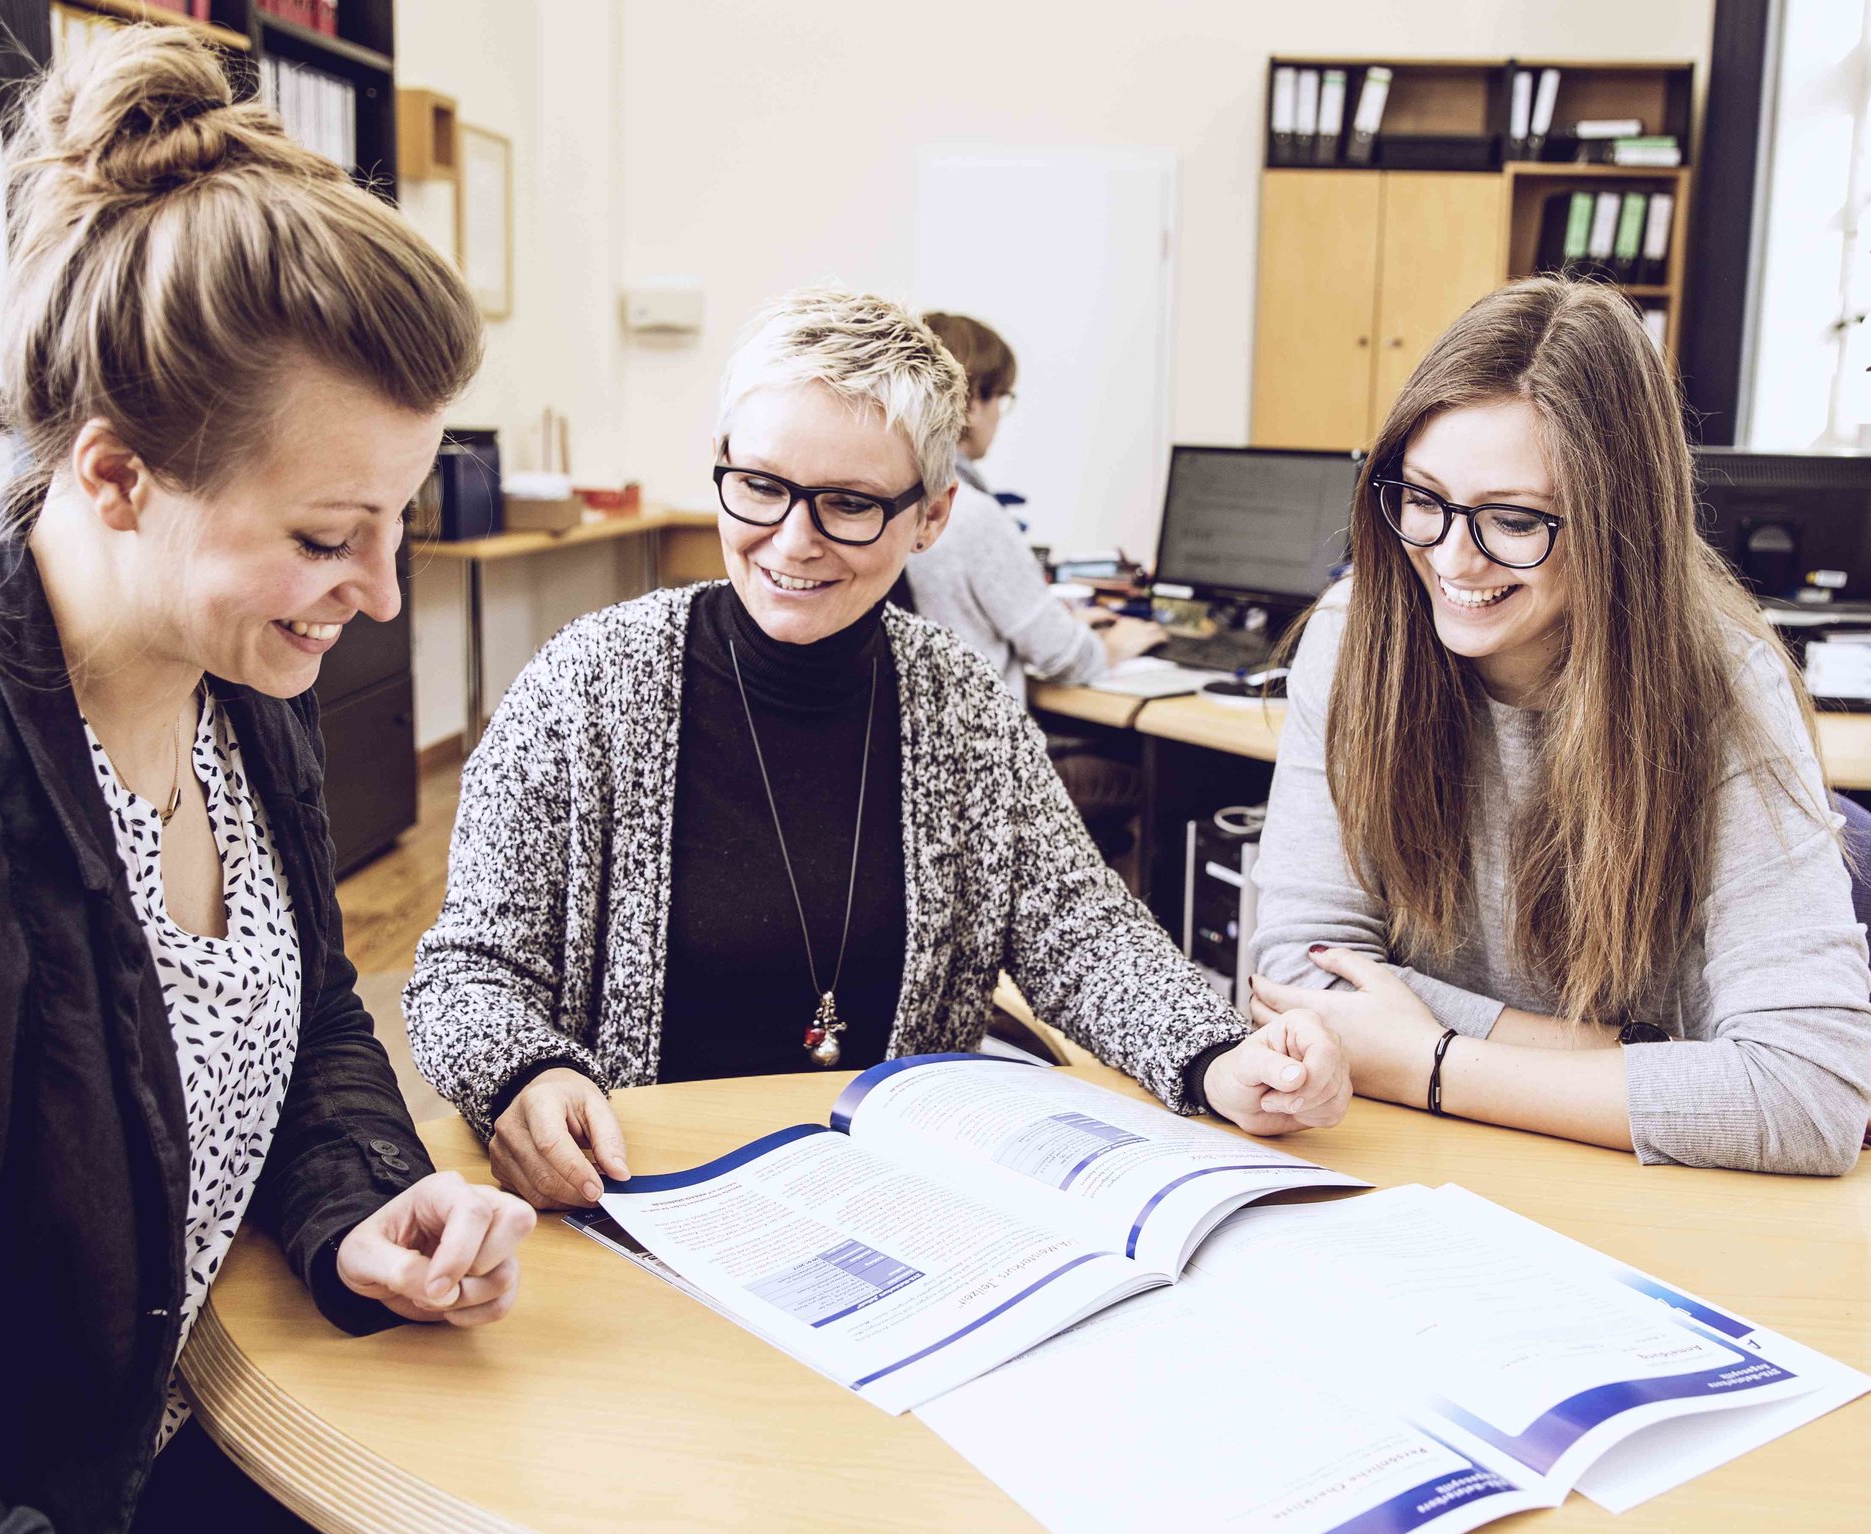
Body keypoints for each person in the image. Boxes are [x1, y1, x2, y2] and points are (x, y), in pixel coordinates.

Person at [0, 31, 550, 1534]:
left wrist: (351, 1207)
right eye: (329, 536)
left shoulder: (237, 687)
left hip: (196, 1458)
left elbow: (313, 1008)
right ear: (113, 472)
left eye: (396, 522)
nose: (382, 593)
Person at [405, 288, 1349, 1209]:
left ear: (932, 516)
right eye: (762, 487)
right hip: (641, 1192)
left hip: (890, 1202)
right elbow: (468, 974)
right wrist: (523, 1073)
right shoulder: (583, 690)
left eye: (849, 503)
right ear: (723, 467)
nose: (793, 540)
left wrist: (1215, 1052)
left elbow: (1081, 933)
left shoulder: (962, 706)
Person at [1246, 277, 1871, 1177]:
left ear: (1616, 522)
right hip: (1433, 1168)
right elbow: (1299, 975)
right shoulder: (1355, 632)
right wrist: (1624, 1048)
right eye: (1423, 496)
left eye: (1514, 519)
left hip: (1660, 1202)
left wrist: (1430, 1059)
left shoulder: (1726, 690)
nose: (1449, 556)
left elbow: (1803, 1098)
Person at [904, 311, 1166, 696]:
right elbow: (1062, 657)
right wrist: (1113, 646)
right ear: (973, 402)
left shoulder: (893, 497)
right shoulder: (968, 513)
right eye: (1002, 397)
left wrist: (1062, 621)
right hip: (985, 740)